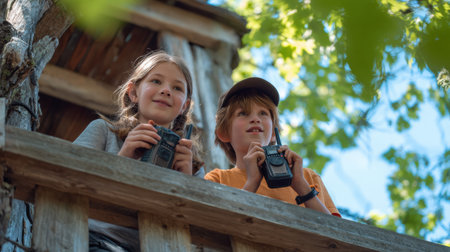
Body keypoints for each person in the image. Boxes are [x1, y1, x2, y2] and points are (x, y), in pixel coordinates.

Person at [73, 50, 203, 251]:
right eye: (156, 81)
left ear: (184, 106)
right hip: (96, 241)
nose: (166, 90)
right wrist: (123, 159)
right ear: (133, 92)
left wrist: (184, 180)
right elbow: (69, 180)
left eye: (177, 87)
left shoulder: (191, 164)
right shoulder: (104, 132)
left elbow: (200, 229)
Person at [205, 77, 340, 217]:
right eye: (243, 113)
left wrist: (302, 187)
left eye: (263, 113)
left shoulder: (307, 177)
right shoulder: (218, 179)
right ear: (223, 132)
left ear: (275, 133)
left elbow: (337, 234)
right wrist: (251, 183)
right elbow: (214, 225)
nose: (255, 119)